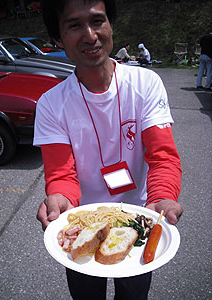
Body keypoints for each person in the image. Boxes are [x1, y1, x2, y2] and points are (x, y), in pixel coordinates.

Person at [34, 1, 183, 299]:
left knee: (134, 294)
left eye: (98, 21)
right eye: (75, 25)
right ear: (58, 39)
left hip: (138, 217)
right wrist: (58, 199)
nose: (90, 35)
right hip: (81, 223)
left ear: (111, 25)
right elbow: (61, 173)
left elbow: (162, 155)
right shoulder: (51, 104)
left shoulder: (146, 83)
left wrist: (163, 195)